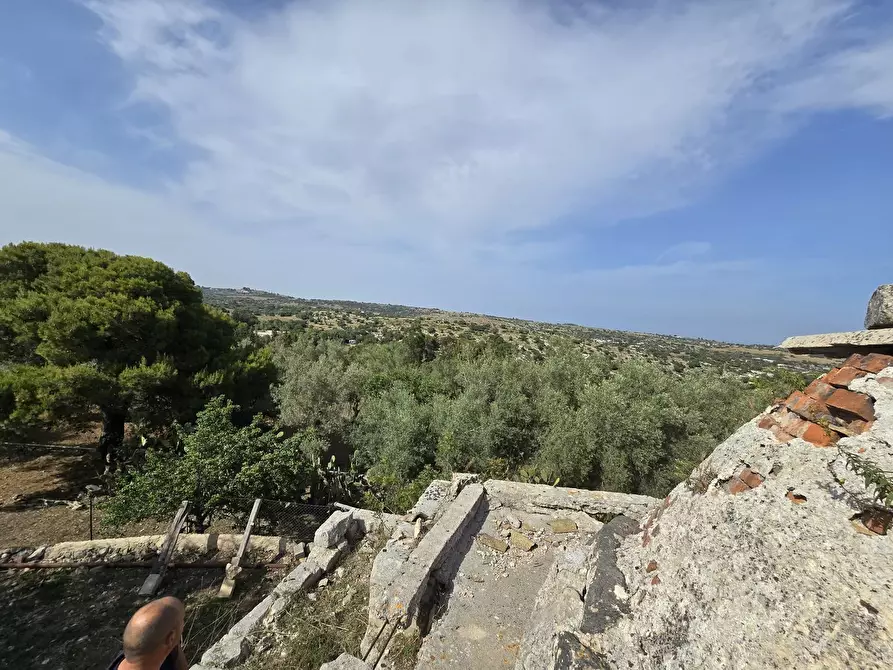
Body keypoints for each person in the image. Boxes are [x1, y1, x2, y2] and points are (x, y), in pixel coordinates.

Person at [106, 597, 188, 670]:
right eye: (182, 620)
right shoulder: (159, 649)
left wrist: (173, 644)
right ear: (171, 638)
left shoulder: (147, 652)